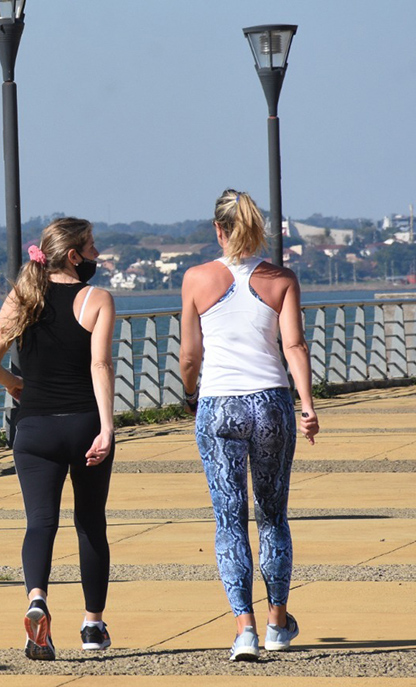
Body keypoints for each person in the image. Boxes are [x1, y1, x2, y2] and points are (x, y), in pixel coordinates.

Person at [179, 189, 320, 661]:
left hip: (219, 402)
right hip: (270, 403)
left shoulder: (196, 278)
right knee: (273, 513)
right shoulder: (282, 280)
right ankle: (279, 620)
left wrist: (191, 391)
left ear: (218, 229)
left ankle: (244, 629)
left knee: (229, 518)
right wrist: (307, 405)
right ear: (257, 230)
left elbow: (189, 354)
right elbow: (295, 348)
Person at [0, 217, 116, 661]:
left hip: (34, 428)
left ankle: (36, 599)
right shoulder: (96, 299)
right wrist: (107, 427)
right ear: (74, 255)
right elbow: (100, 367)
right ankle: (92, 626)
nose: (98, 254)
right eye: (92, 247)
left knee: (40, 523)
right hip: (83, 424)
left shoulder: (23, 296)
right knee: (90, 523)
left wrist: (13, 385)